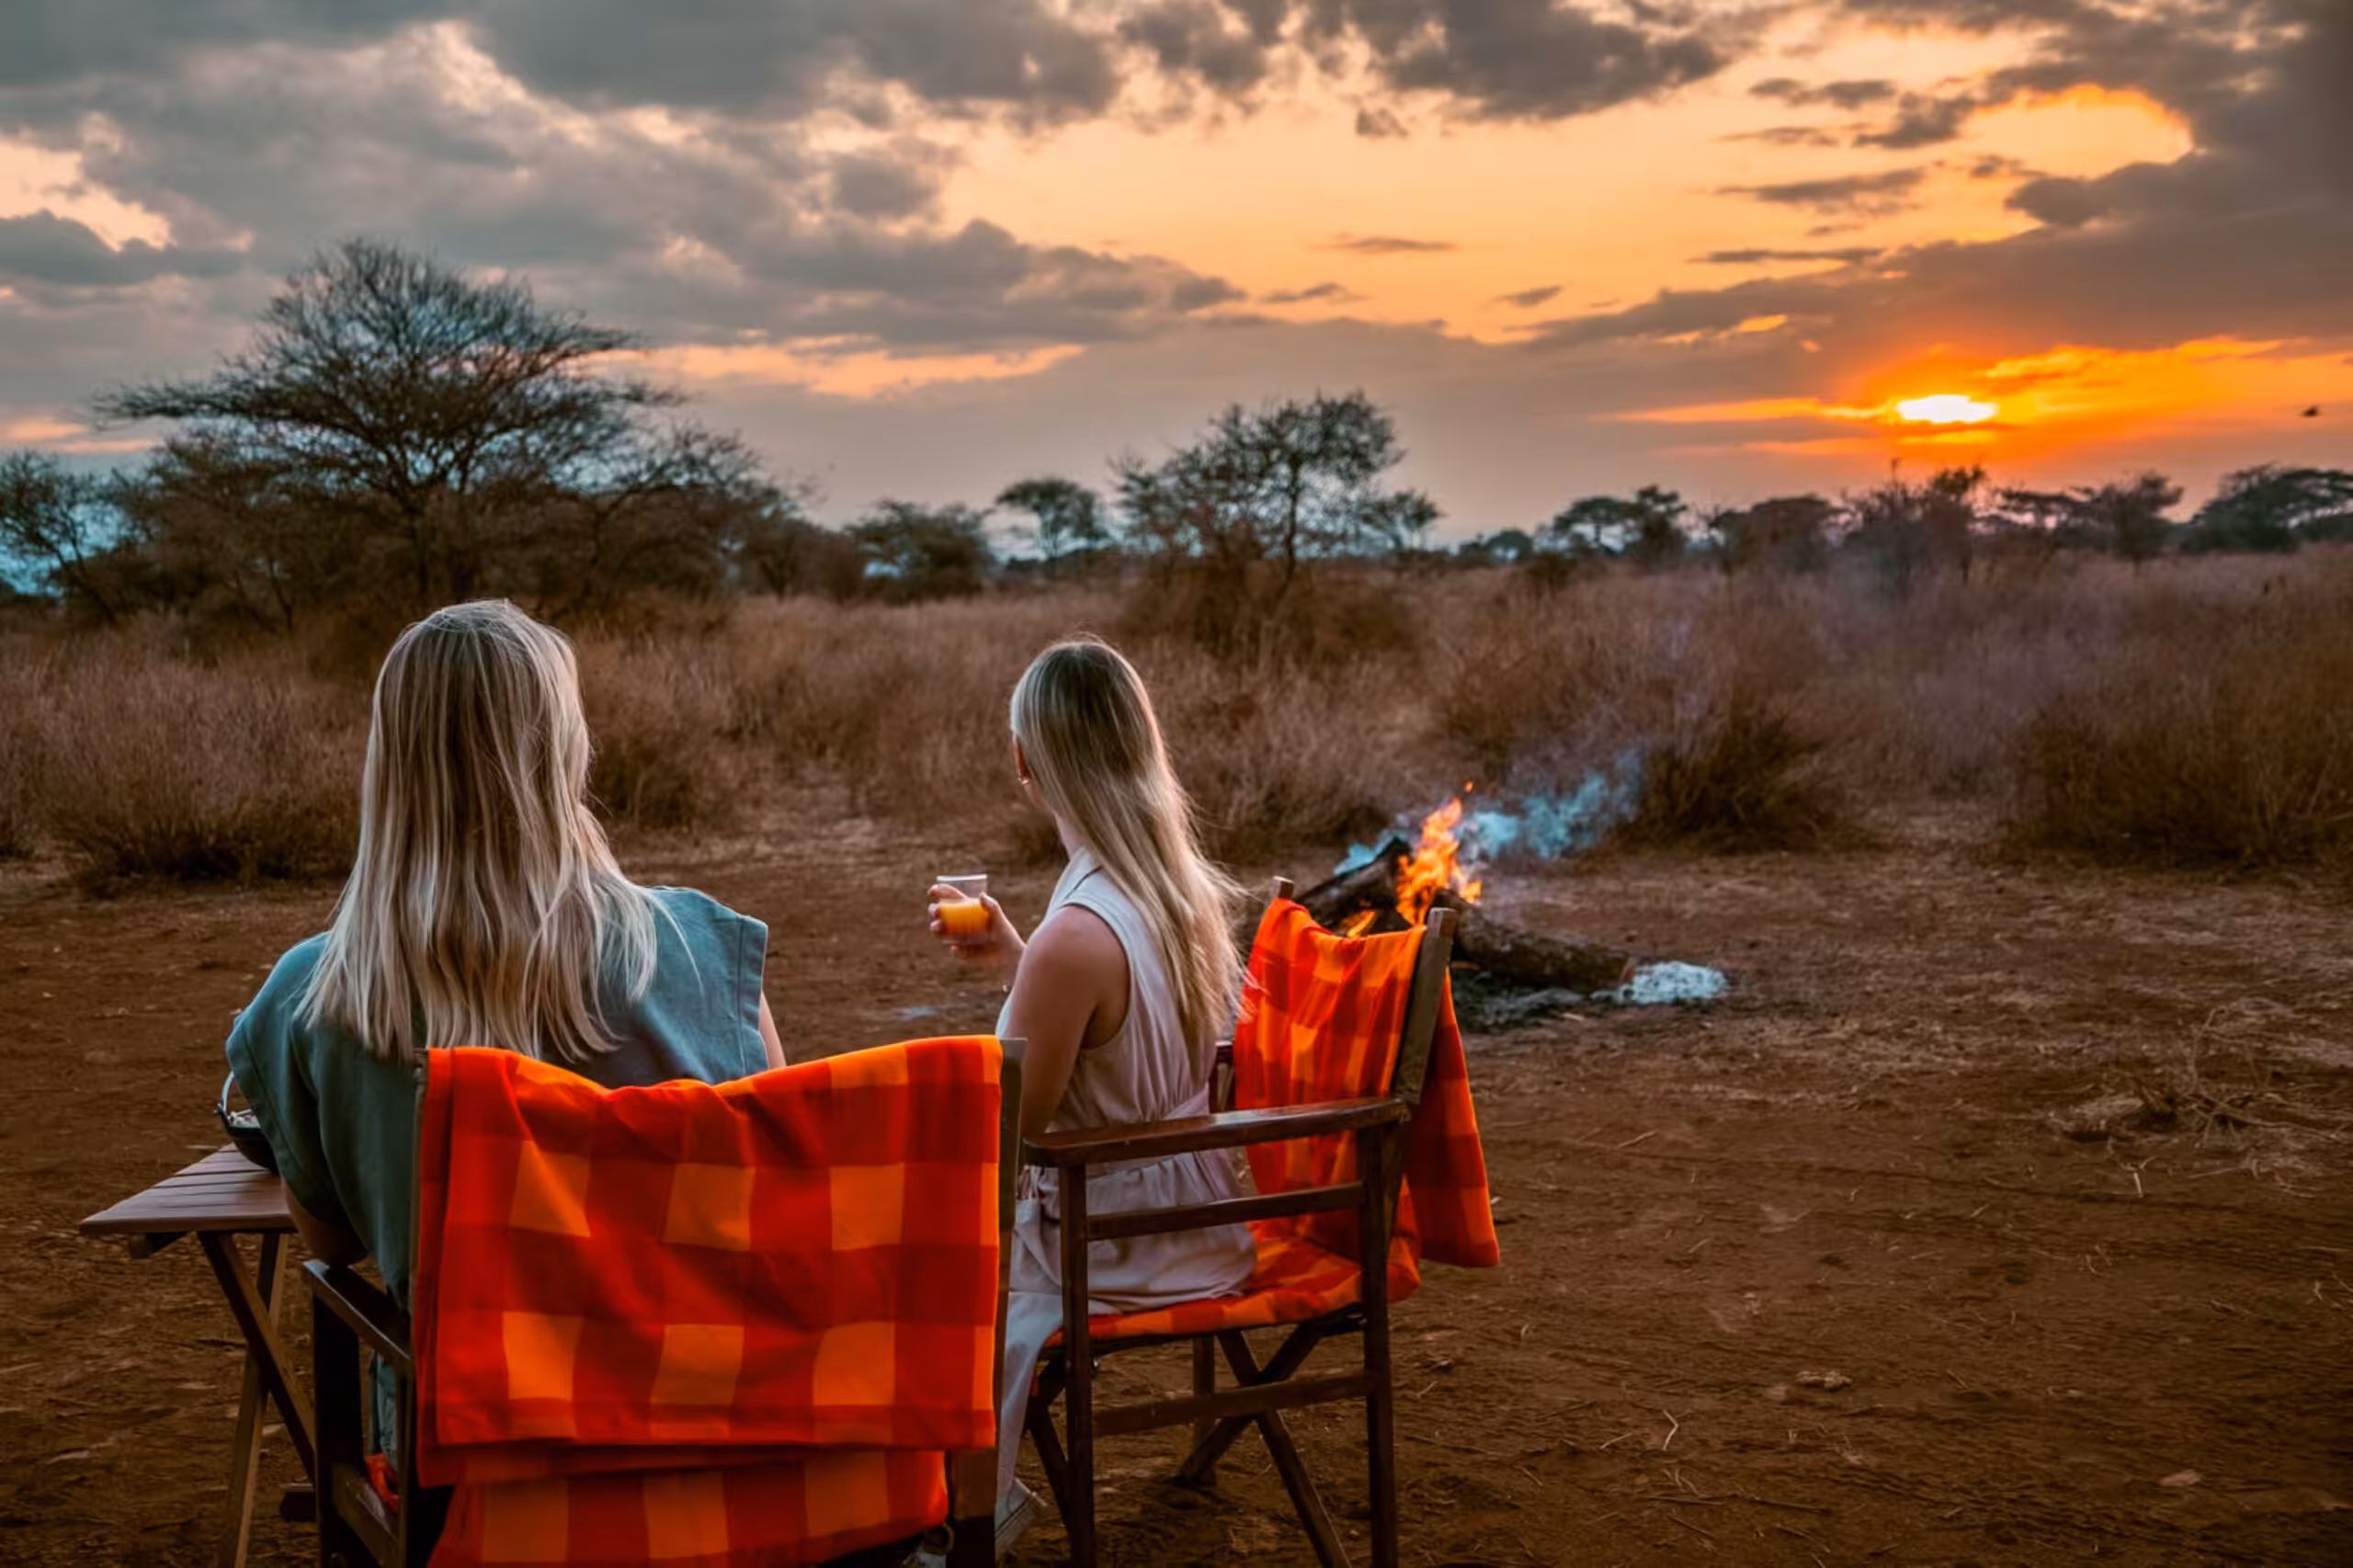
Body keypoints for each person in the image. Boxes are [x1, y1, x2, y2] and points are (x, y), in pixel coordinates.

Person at [226, 599, 784, 1308]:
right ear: (562, 752)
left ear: (393, 765)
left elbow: (336, 1244)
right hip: (692, 1398)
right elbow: (772, 1180)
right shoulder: (697, 945)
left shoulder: (317, 993)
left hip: (474, 1414)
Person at [927, 638, 1256, 1532]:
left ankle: (949, 1517)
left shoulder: (1077, 931)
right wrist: (1015, 961)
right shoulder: (1175, 889)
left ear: (1023, 758)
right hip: (1195, 1212)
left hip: (1105, 1237)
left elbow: (1013, 1132)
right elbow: (1118, 1046)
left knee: (917, 1258)